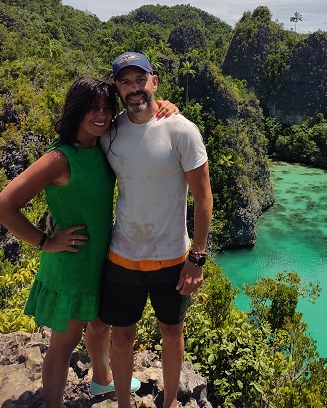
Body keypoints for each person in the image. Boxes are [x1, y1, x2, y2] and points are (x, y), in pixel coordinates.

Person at [0, 76, 176, 408]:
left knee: (100, 324)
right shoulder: (60, 158)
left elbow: (139, 117)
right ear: (76, 110)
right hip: (73, 263)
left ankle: (102, 379)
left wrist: (164, 106)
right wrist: (44, 241)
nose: (101, 115)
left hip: (101, 256)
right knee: (63, 344)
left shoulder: (102, 143)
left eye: (107, 107)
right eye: (92, 108)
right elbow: (4, 204)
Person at [98, 52, 213, 408]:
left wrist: (197, 258)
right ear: (117, 88)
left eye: (140, 80)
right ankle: (123, 403)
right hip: (122, 256)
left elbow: (203, 197)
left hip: (173, 259)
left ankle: (170, 402)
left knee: (172, 331)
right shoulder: (109, 132)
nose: (134, 88)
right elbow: (78, 169)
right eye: (125, 82)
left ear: (154, 82)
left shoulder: (181, 130)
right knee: (122, 335)